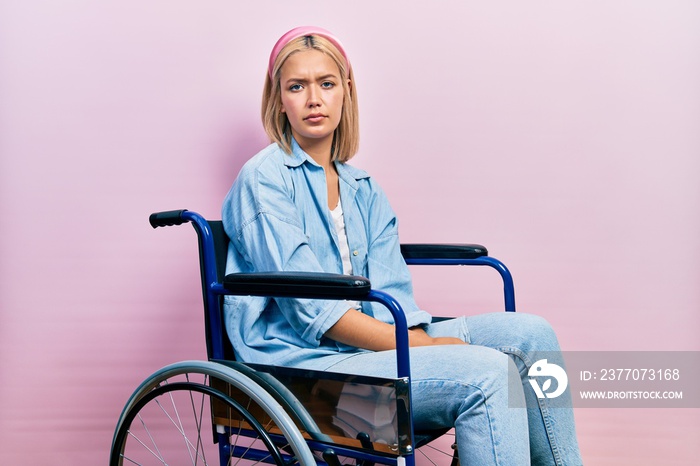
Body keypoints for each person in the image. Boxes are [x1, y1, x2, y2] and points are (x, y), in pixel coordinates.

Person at [222, 26, 583, 466]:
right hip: (306, 369)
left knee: (531, 336)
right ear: (279, 98)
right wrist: (432, 351)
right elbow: (316, 312)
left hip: (374, 346)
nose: (313, 98)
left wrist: (425, 343)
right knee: (489, 373)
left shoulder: (363, 189)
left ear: (345, 92)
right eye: (297, 86)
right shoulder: (263, 179)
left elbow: (394, 295)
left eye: (327, 83)